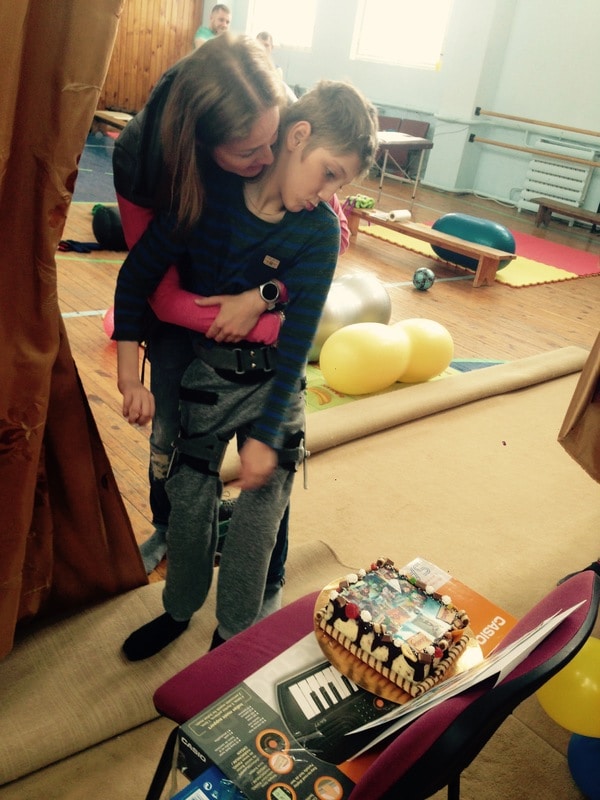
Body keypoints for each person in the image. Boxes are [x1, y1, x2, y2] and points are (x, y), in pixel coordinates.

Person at [112, 78, 378, 660]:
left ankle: (231, 634)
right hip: (207, 380)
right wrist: (130, 376)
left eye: (341, 185)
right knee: (190, 503)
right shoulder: (210, 196)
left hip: (275, 385)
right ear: (297, 136)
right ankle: (178, 609)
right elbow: (135, 279)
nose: (329, 196)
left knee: (258, 523)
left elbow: (298, 339)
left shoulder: (317, 229)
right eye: (329, 174)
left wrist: (267, 433)